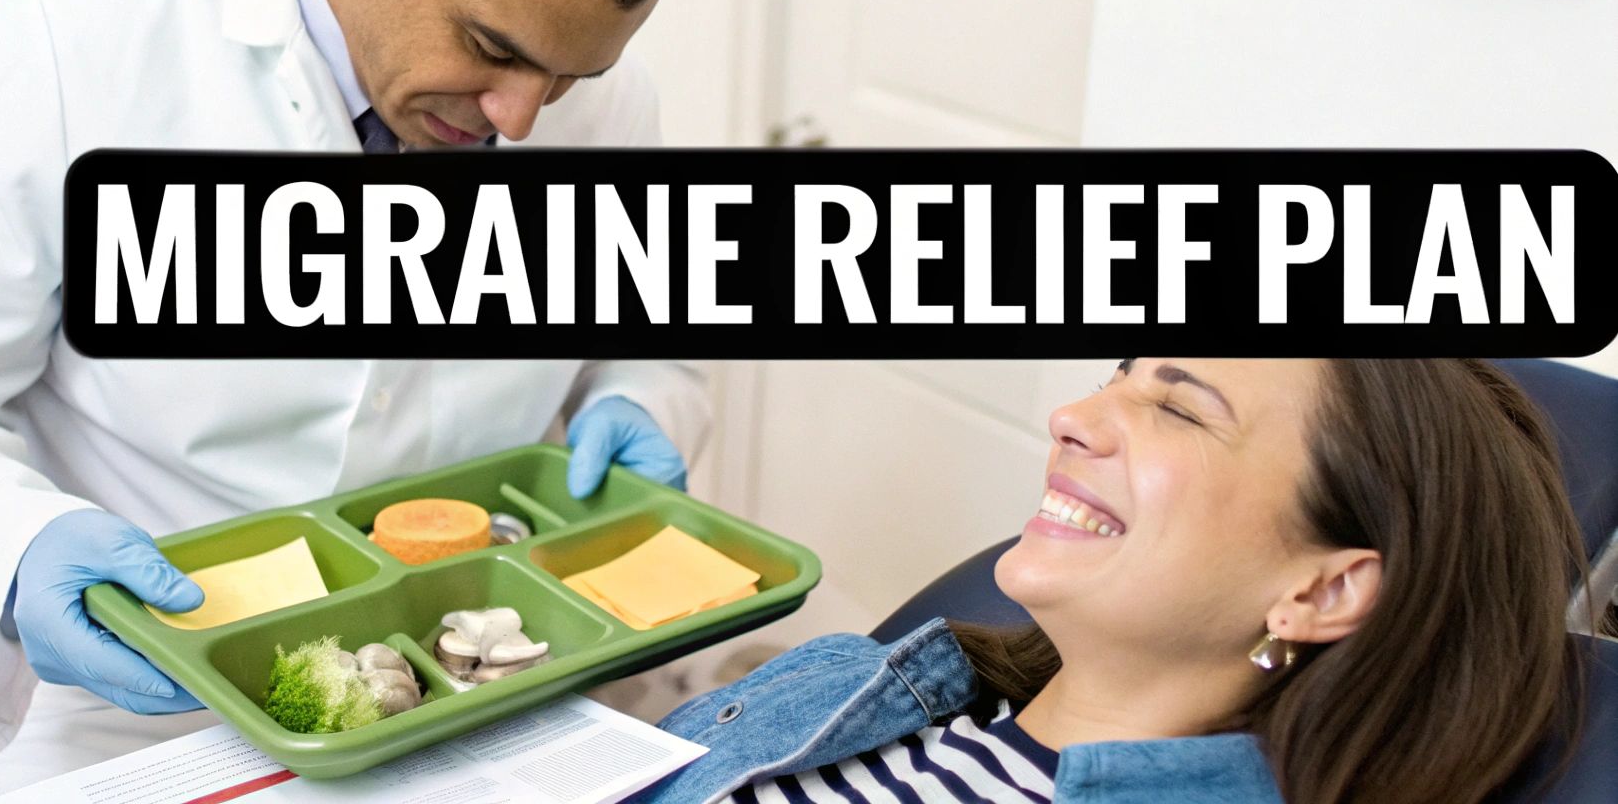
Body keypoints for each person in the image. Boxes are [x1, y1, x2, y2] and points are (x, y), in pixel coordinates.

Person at [0, 0, 704, 799]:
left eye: (567, 80)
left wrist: (642, 394)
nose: (520, 118)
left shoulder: (603, 100)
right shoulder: (75, 42)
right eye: (491, 48)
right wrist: (17, 550)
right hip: (140, 712)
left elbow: (644, 333)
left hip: (481, 681)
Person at [644, 359, 1589, 804]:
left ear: (1323, 592)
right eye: (1121, 374)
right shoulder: (854, 684)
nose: (1072, 415)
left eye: (1179, 409)